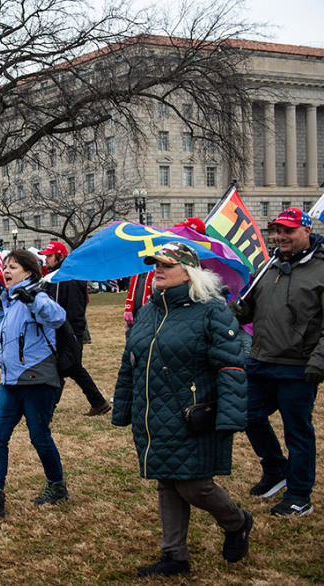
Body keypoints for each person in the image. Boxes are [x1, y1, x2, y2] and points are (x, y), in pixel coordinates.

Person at [113, 242, 251, 577]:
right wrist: (123, 407)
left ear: (188, 272)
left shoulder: (212, 311)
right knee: (167, 482)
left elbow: (231, 366)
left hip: (193, 415)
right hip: (153, 414)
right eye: (155, 265)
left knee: (195, 485)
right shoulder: (149, 310)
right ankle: (174, 556)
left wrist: (230, 416)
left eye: (166, 265)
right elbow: (130, 362)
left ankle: (236, 522)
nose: (157, 270)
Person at [230, 207, 322, 517]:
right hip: (261, 361)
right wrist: (239, 310)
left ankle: (299, 496)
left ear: (306, 232)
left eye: (288, 231)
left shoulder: (320, 269)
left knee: (297, 432)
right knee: (245, 415)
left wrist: (318, 361)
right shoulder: (268, 266)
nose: (280, 236)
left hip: (298, 366)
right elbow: (251, 308)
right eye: (277, 231)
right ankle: (275, 469)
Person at [0, 249, 68, 519]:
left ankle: (57, 485)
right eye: (5, 266)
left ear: (29, 272)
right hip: (10, 382)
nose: (6, 270)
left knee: (39, 436)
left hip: (37, 379)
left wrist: (34, 298)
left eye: (13, 266)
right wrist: (1, 309)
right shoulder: (9, 299)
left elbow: (58, 317)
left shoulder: (38, 295)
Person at [41, 241, 111, 417]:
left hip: (68, 331)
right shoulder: (56, 276)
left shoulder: (69, 278)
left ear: (60, 256)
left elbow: (74, 311)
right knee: (73, 368)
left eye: (49, 256)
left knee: (61, 369)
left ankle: (47, 409)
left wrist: (71, 334)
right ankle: (98, 402)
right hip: (61, 331)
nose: (46, 259)